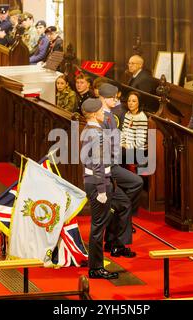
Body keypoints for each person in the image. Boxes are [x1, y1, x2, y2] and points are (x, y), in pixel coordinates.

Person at [81, 98, 123, 280]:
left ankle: (95, 264)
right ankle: (96, 268)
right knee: (98, 226)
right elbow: (98, 162)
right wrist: (102, 190)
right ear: (94, 113)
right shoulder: (96, 134)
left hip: (94, 180)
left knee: (99, 224)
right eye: (101, 110)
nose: (103, 112)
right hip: (99, 181)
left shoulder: (89, 130)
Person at [99, 83, 143, 257]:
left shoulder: (111, 115)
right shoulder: (102, 116)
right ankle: (116, 241)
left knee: (135, 184)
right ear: (103, 98)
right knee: (127, 200)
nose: (116, 100)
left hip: (113, 162)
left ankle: (116, 214)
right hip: (105, 166)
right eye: (113, 98)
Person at [121, 91, 148, 165]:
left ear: (139, 103)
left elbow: (140, 142)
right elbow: (123, 132)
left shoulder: (141, 117)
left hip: (138, 150)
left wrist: (126, 146)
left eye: (134, 101)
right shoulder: (128, 114)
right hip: (127, 146)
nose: (130, 103)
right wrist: (121, 143)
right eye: (129, 101)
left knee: (116, 155)